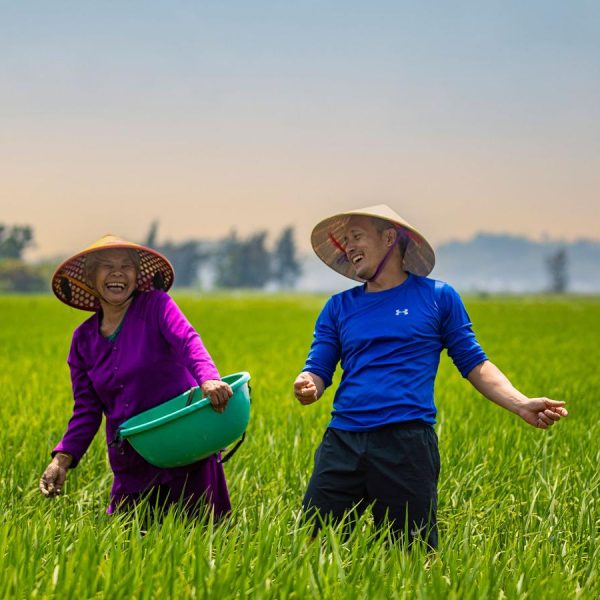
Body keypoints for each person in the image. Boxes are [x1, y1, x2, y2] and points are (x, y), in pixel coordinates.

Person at [294, 205, 568, 548]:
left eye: (357, 236)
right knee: (311, 543)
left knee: (410, 553)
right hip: (343, 441)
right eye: (345, 240)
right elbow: (318, 367)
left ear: (389, 238)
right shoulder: (338, 307)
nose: (348, 246)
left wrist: (520, 403)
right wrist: (308, 384)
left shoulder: (437, 297)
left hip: (406, 442)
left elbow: (475, 363)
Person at [39, 235, 233, 519]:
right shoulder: (82, 340)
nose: (117, 273)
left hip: (187, 447)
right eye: (106, 266)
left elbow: (187, 340)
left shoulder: (156, 305)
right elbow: (86, 410)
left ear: (136, 275)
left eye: (126, 266)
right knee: (129, 547)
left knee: (202, 541)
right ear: (91, 278)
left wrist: (208, 379)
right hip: (132, 459)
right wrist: (62, 459)